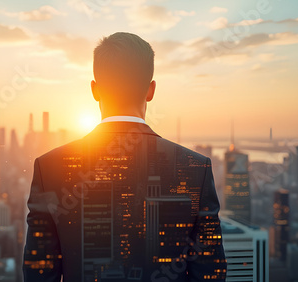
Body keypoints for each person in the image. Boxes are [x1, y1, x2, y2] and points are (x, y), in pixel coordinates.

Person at [23, 32, 226, 282]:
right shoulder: (197, 169)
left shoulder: (49, 168)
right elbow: (209, 274)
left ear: (94, 90)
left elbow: (40, 274)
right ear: (151, 90)